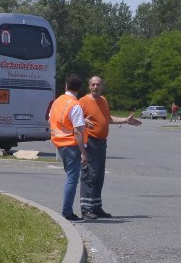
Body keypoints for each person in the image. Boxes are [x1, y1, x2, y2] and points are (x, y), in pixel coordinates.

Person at [79, 75, 142, 218]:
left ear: (102, 86)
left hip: (101, 143)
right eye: (93, 84)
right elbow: (74, 119)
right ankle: (86, 208)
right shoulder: (83, 101)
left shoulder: (103, 101)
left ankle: (96, 206)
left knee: (99, 175)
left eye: (98, 84)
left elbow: (108, 119)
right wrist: (82, 120)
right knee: (89, 174)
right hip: (89, 142)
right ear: (89, 86)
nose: (95, 87)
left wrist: (125, 120)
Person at [49, 74, 89, 222]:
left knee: (69, 177)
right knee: (72, 179)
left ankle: (67, 211)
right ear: (79, 89)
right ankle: (67, 212)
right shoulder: (75, 105)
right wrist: (84, 152)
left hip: (59, 144)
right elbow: (78, 131)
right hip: (71, 145)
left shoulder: (57, 101)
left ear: (66, 86)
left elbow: (52, 118)